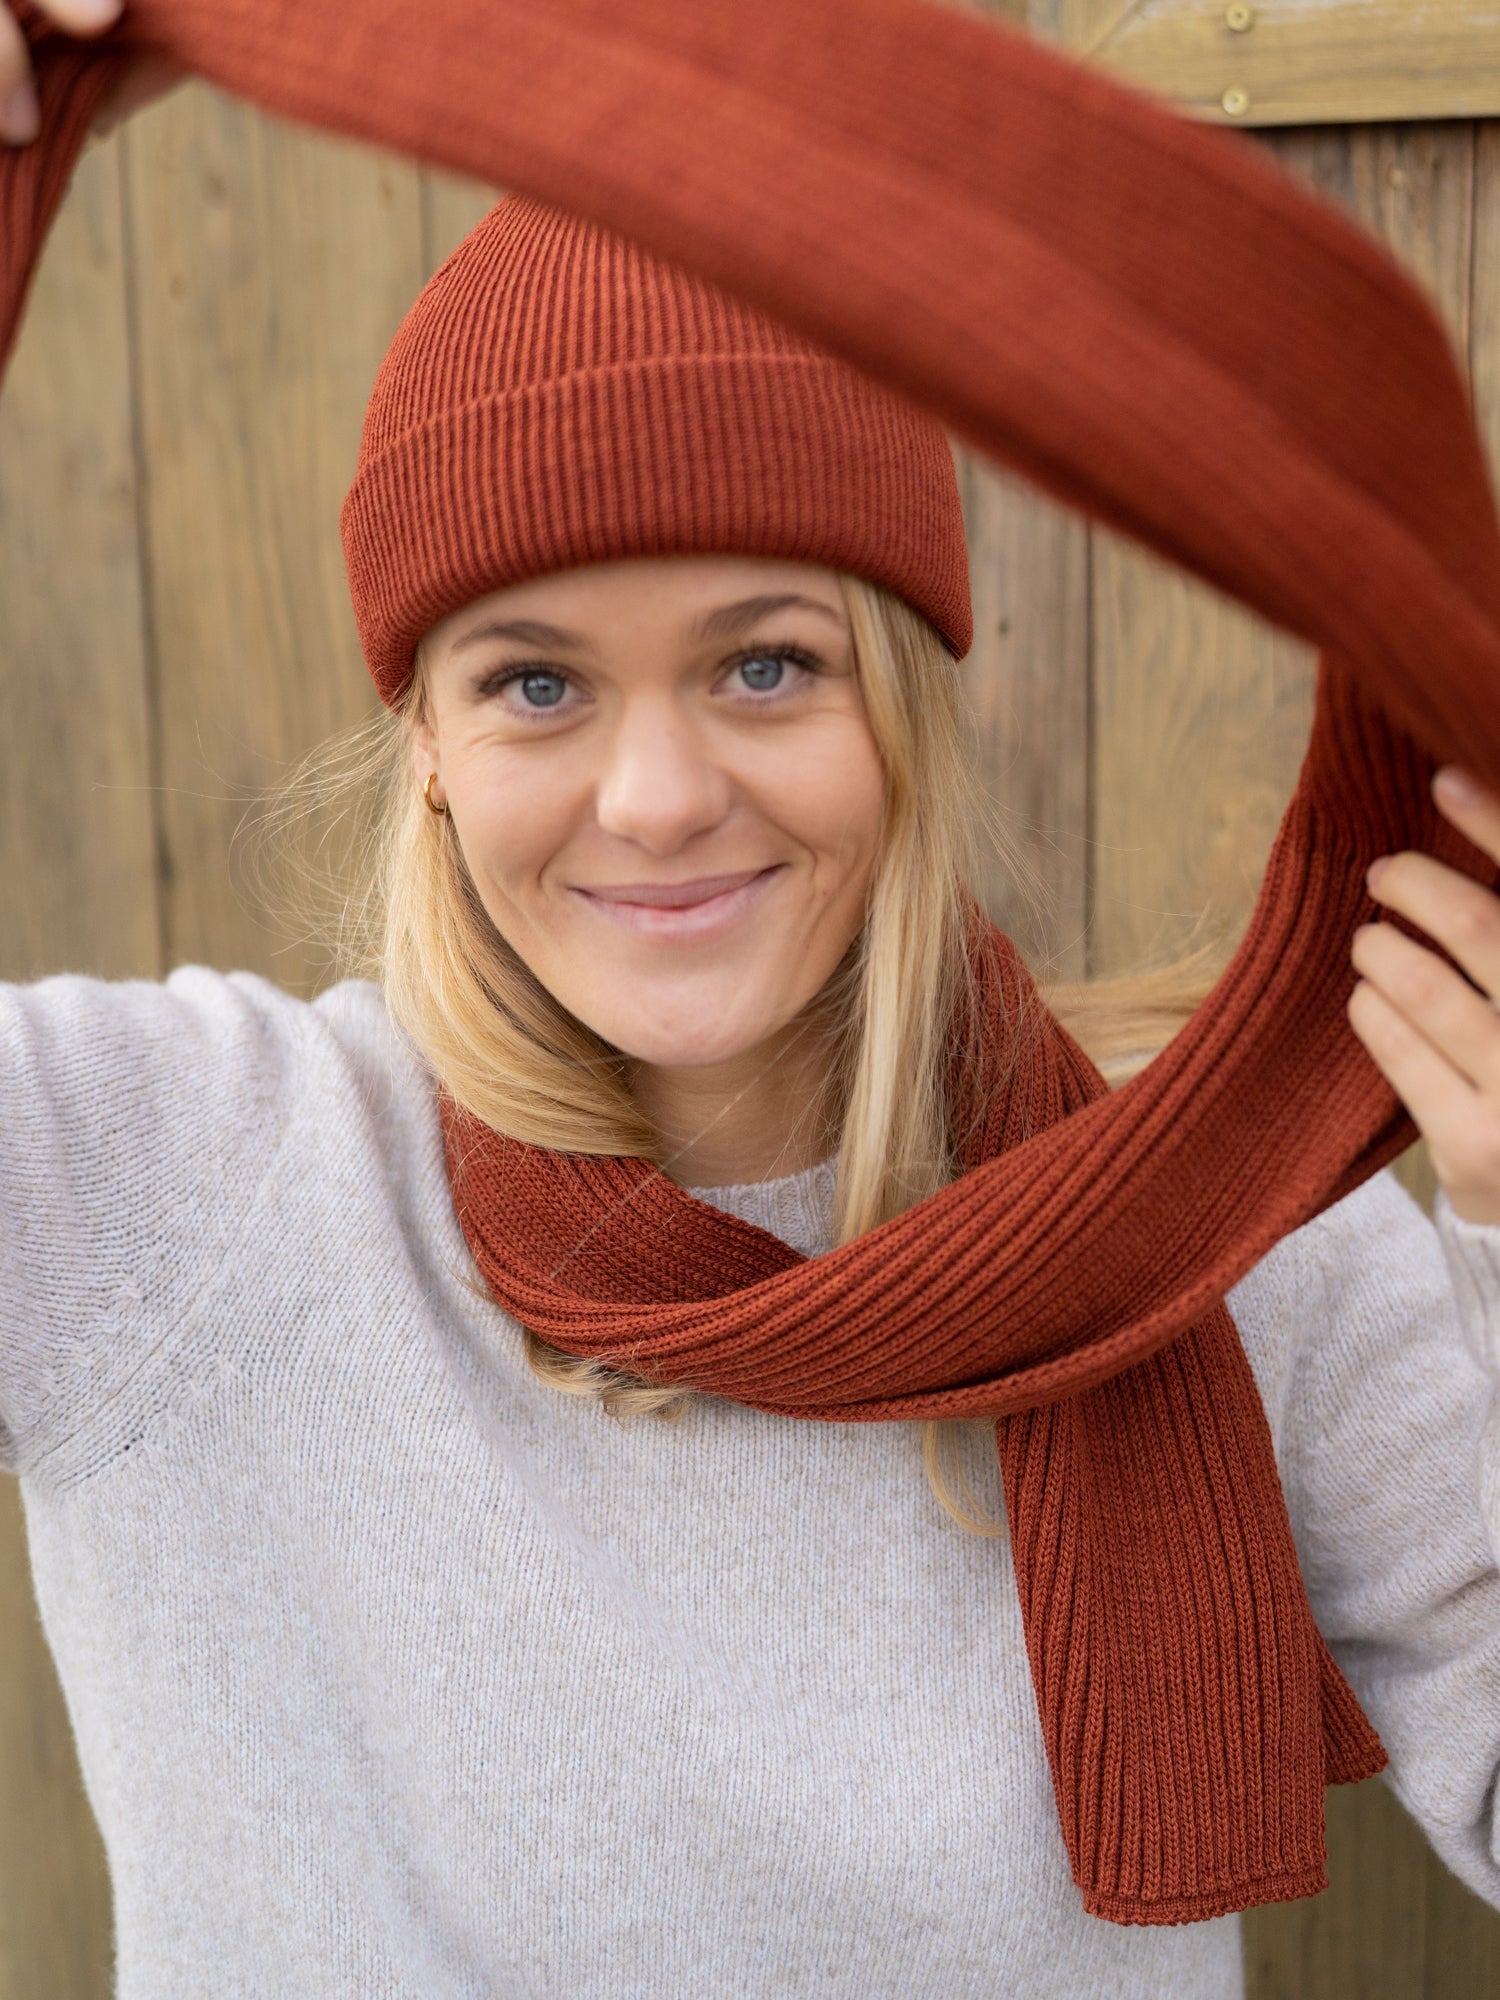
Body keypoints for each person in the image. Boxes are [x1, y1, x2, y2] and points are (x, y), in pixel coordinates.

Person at [5, 6, 1500, 1998]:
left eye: (767, 663)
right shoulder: (160, 1183)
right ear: (429, 743)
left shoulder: (1225, 1222)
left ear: (904, 698)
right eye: (536, 679)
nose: (656, 796)